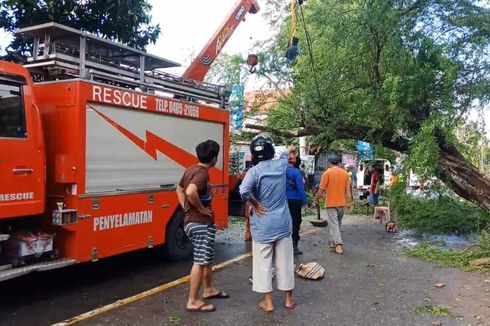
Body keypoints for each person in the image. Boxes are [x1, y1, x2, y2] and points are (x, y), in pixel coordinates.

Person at [239, 134, 296, 313]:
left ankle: (268, 303)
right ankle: (288, 299)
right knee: (285, 262)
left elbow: (244, 190)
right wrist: (288, 148)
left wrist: (255, 204)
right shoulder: (281, 165)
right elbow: (287, 153)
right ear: (271, 150)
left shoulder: (254, 172)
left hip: (263, 225)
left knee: (263, 264)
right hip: (283, 224)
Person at [176, 140, 229, 313]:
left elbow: (179, 189)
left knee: (206, 257)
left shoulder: (190, 169)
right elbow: (190, 191)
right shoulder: (202, 173)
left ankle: (208, 289)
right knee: (200, 261)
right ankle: (192, 300)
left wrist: (186, 208)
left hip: (194, 221)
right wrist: (201, 209)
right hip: (200, 223)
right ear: (214, 158)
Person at [313, 154, 352, 255]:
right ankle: (332, 241)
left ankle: (338, 244)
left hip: (331, 203)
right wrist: (349, 202)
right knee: (337, 224)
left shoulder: (327, 173)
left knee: (334, 224)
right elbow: (348, 190)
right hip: (341, 203)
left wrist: (316, 200)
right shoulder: (345, 174)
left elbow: (321, 190)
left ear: (329, 163)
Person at [286, 147, 308, 256]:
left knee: (285, 222)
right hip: (295, 201)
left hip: (282, 201)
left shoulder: (280, 171)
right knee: (295, 222)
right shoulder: (296, 172)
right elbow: (301, 188)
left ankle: (282, 245)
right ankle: (294, 246)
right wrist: (305, 201)